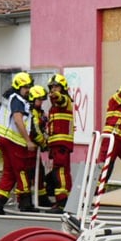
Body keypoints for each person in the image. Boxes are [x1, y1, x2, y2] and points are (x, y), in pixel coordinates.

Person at [0, 72, 39, 215]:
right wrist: (28, 141)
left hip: (6, 139)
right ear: (18, 87)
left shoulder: (13, 98)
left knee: (10, 172)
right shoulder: (18, 100)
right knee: (21, 170)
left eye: (29, 87)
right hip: (14, 140)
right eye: (25, 87)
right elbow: (18, 120)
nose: (28, 90)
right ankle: (25, 203)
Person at [45, 74, 74, 214]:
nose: (53, 89)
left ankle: (62, 202)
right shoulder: (54, 106)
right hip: (57, 144)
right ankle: (63, 201)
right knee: (62, 172)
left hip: (61, 144)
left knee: (60, 172)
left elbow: (60, 98)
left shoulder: (65, 100)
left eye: (56, 86)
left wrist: (55, 94)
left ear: (63, 88)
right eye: (51, 87)